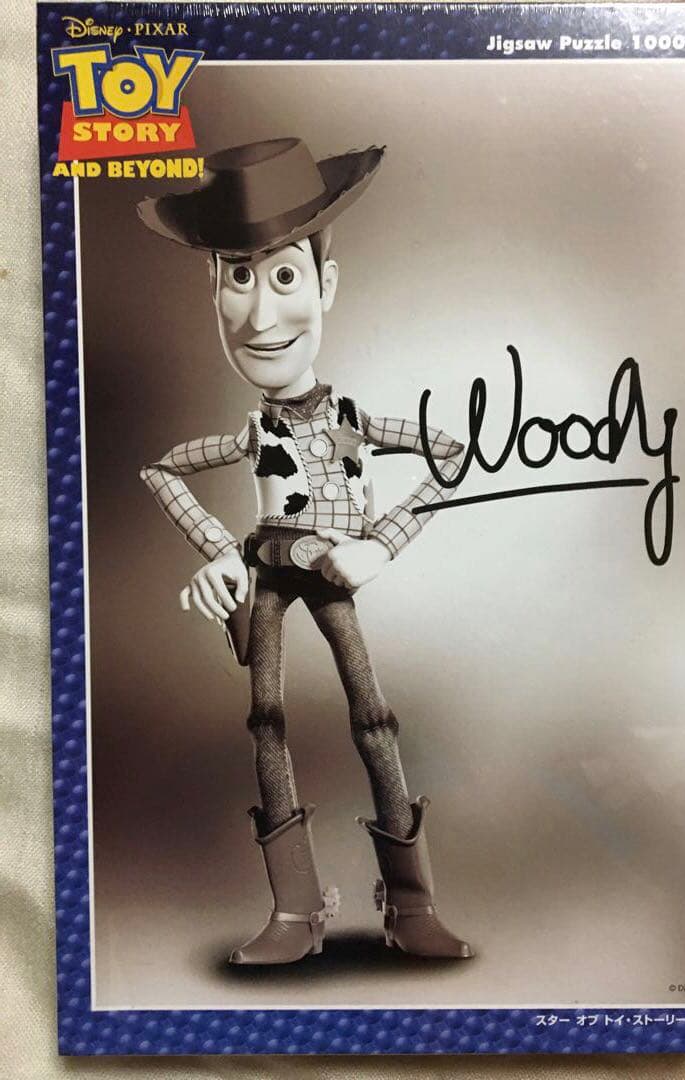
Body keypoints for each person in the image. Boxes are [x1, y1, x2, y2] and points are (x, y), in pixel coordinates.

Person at [139, 137, 472, 964]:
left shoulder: (355, 419)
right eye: (237, 278)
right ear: (213, 288)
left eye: (283, 277)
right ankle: (295, 910)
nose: (259, 318)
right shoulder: (251, 431)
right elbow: (161, 469)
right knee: (265, 719)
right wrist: (218, 550)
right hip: (266, 572)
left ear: (325, 285)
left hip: (333, 569)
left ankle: (412, 902)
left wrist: (381, 545)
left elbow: (453, 453)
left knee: (373, 715)